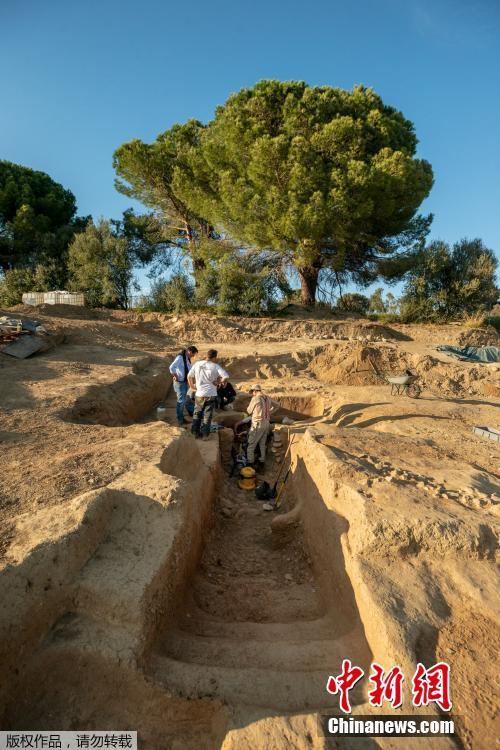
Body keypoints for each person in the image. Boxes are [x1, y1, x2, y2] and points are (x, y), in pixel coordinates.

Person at [188, 349, 229, 439]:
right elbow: (225, 376)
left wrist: (192, 386)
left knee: (197, 414)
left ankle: (195, 433)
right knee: (207, 415)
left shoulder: (198, 364)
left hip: (199, 394)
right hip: (211, 394)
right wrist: (218, 383)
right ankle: (205, 435)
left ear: (207, 355)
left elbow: (189, 376)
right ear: (214, 357)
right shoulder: (215, 366)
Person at [246, 384, 279, 466]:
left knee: (251, 445)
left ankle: (250, 464)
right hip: (266, 423)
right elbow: (277, 405)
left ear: (255, 391)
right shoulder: (267, 398)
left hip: (257, 424)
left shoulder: (255, 398)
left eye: (252, 392)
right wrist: (269, 412)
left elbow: (249, 411)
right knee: (262, 444)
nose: (252, 394)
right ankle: (262, 462)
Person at [169, 345, 198, 427]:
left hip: (184, 382)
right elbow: (171, 367)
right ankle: (180, 420)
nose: (193, 356)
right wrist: (174, 375)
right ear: (189, 351)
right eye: (193, 354)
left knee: (184, 400)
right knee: (181, 401)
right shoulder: (180, 358)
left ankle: (182, 418)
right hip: (180, 383)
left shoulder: (187, 358)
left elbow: (189, 368)